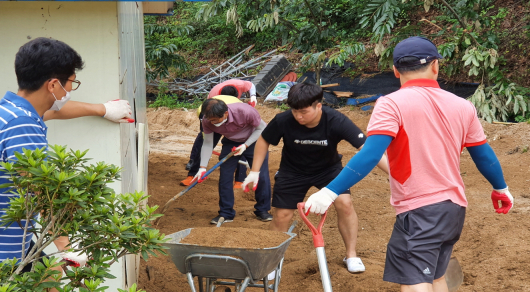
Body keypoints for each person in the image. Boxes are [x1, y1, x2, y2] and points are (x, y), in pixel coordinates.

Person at [304, 36, 514, 291]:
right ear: (435, 66)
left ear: (395, 70)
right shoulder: (462, 106)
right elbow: (483, 154)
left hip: (419, 210)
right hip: (453, 209)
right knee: (436, 277)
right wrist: (500, 188)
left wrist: (330, 190)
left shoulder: (391, 104)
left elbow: (370, 154)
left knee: (415, 282)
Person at [0, 37, 133, 288]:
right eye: (71, 83)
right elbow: (42, 194)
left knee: (49, 276)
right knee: (50, 273)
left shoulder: (12, 108)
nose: (69, 91)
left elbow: (54, 111)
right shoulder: (22, 126)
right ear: (53, 85)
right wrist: (68, 248)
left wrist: (103, 109)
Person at [243, 83, 389, 273]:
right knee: (281, 215)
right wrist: (254, 171)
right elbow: (264, 139)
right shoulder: (283, 120)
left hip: (328, 170)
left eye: (303, 112)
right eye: (295, 111)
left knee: (345, 204)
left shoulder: (336, 120)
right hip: (292, 171)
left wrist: (396, 175)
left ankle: (351, 255)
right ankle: (272, 262)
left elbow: (368, 149)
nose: (298, 116)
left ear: (318, 106)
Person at [194, 98, 272, 224]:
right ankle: (226, 213)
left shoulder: (245, 111)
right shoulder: (207, 120)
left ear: (225, 114)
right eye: (210, 120)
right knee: (225, 176)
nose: (212, 122)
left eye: (215, 120)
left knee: (261, 175)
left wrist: (245, 145)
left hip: (254, 141)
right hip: (230, 142)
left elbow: (262, 128)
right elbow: (208, 143)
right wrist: (202, 167)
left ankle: (262, 210)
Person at [181, 89, 250, 187]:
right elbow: (205, 135)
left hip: (233, 122)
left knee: (238, 147)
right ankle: (193, 174)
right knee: (204, 144)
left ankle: (240, 180)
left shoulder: (239, 107)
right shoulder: (205, 110)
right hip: (213, 120)